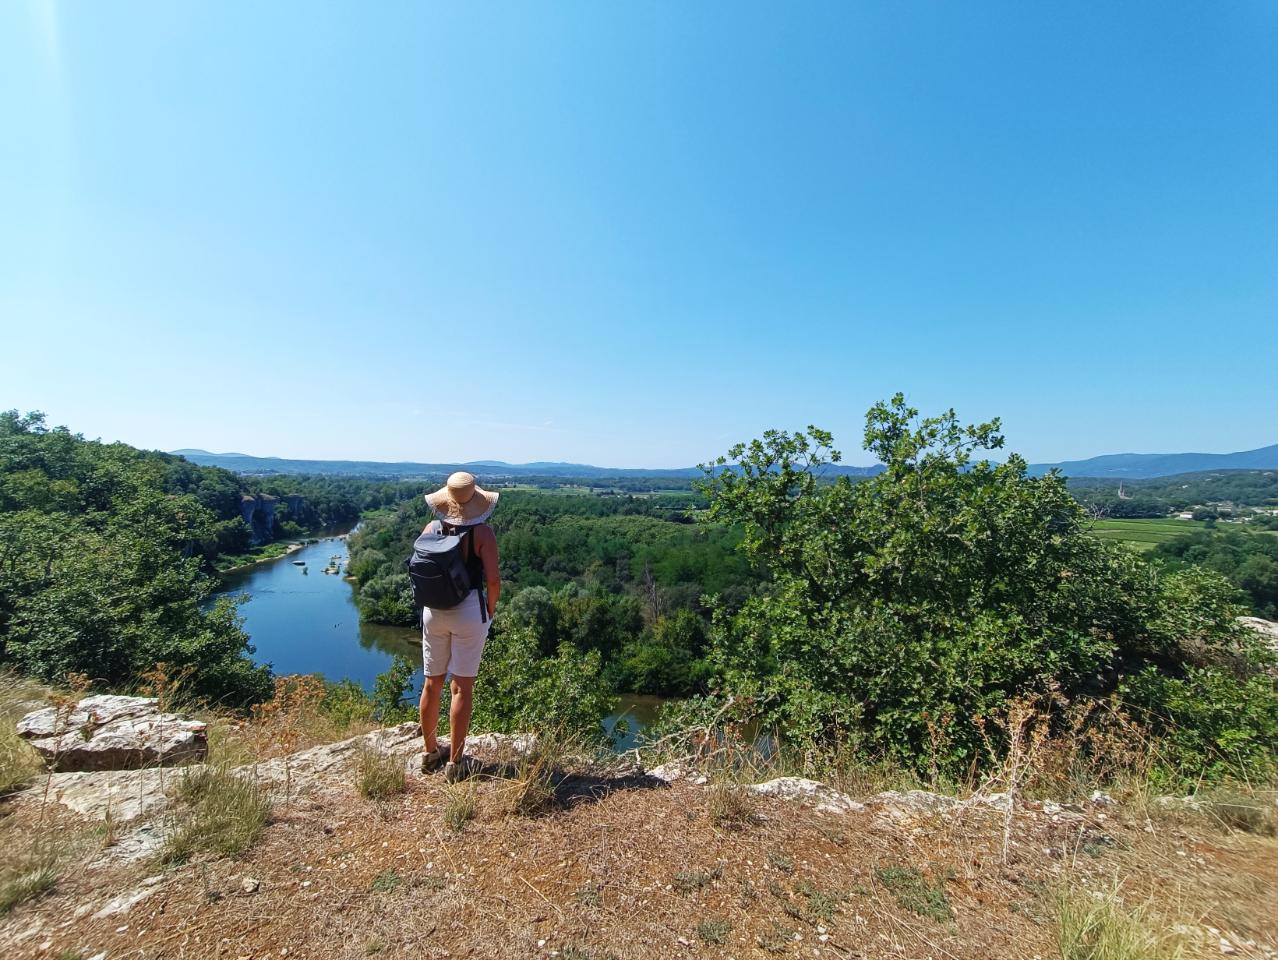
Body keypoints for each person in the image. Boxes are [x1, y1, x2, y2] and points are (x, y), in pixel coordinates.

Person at [417, 471, 501, 782]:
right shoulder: (483, 534)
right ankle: (455, 763)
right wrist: (489, 612)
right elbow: (493, 580)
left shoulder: (431, 527)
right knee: (461, 688)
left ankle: (429, 753)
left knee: (431, 683)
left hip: (433, 610)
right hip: (467, 609)